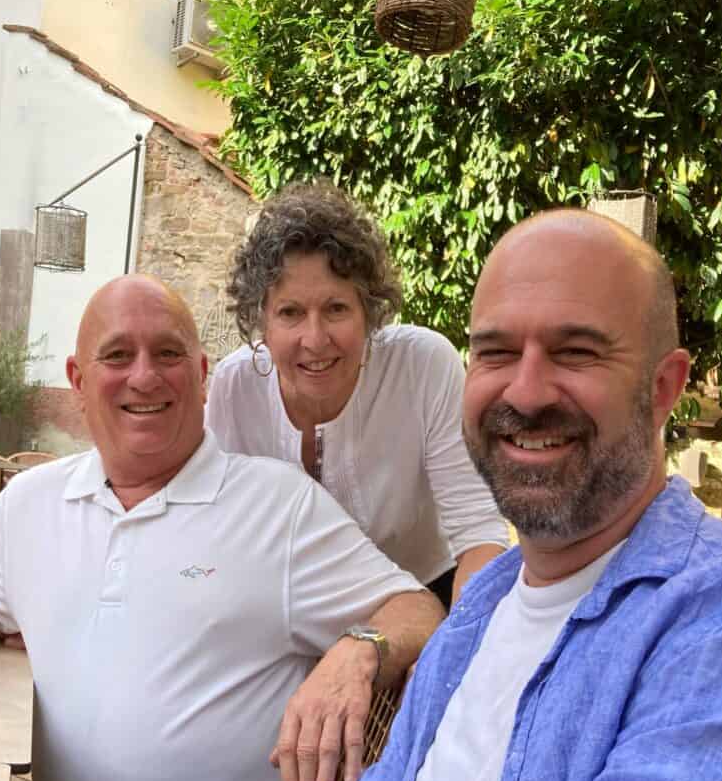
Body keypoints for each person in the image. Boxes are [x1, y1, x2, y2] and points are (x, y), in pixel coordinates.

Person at [7, 210, 722, 781]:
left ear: (663, 388)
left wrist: (359, 643)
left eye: (576, 352)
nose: (526, 391)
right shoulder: (484, 616)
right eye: (496, 352)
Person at [0, 275, 444, 781]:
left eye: (167, 354)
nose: (144, 377)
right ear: (78, 378)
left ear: (203, 373)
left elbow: (418, 609)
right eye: (118, 355)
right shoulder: (33, 502)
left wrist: (361, 652)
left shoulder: (277, 508)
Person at [206, 182, 508, 608]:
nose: (314, 339)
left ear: (369, 312)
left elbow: (480, 536)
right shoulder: (235, 386)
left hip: (430, 590)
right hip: (294, 608)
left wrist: (451, 650)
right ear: (262, 323)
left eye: (336, 309)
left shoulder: (423, 366)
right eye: (290, 313)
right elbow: (220, 531)